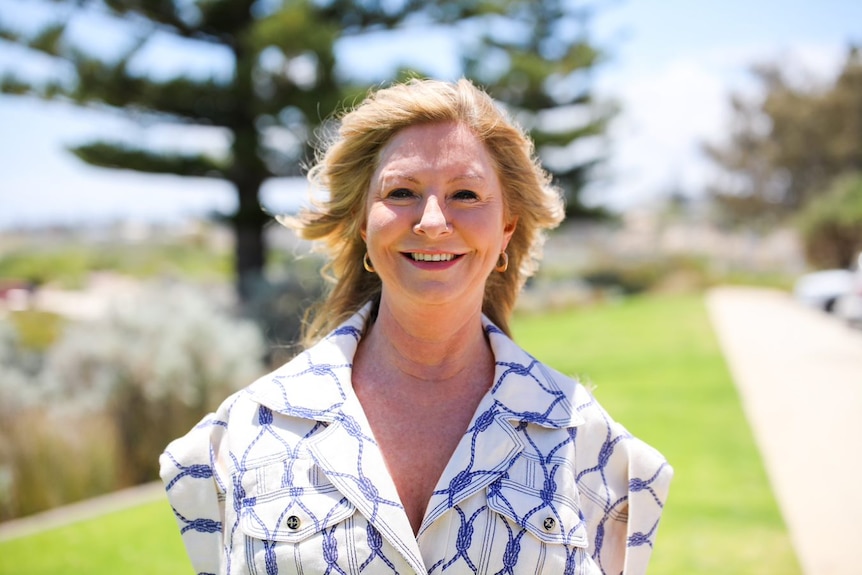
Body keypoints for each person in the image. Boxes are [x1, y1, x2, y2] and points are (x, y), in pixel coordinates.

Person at [160, 78, 672, 575]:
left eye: (466, 195)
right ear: (364, 223)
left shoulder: (600, 453)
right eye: (401, 191)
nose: (431, 221)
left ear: (507, 228)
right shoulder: (233, 441)